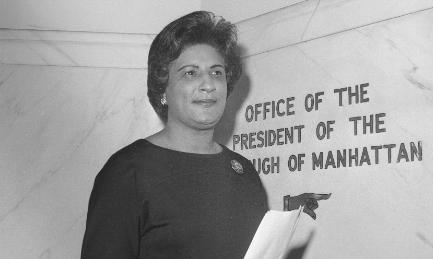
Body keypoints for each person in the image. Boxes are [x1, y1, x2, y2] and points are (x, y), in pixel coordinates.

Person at [81, 11, 326, 259]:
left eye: (216, 72)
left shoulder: (243, 172)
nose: (208, 84)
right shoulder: (128, 172)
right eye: (191, 72)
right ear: (162, 88)